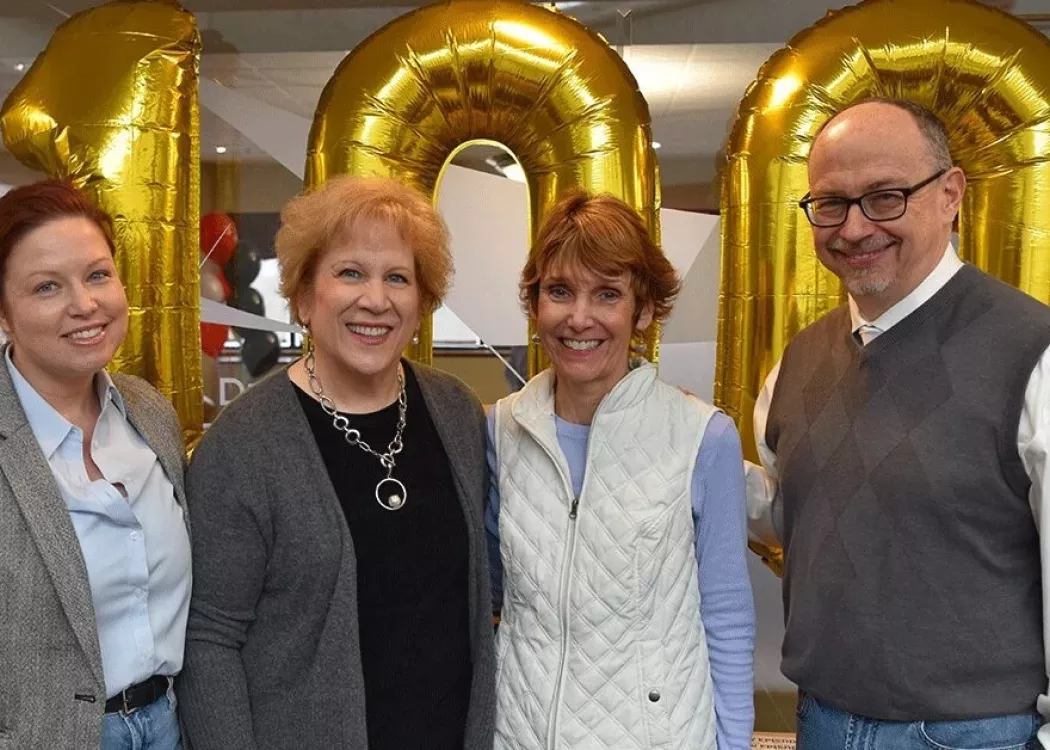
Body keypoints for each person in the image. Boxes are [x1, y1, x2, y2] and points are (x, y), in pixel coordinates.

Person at [746, 98, 1050, 749]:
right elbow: (794, 514)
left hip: (980, 734)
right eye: (831, 203)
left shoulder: (1033, 351)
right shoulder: (799, 359)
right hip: (823, 719)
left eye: (885, 197)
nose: (854, 229)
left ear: (950, 195)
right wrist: (690, 451)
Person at [178, 175, 496, 749]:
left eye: (397, 277)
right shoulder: (244, 444)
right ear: (304, 297)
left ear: (421, 303)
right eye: (350, 272)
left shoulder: (456, 413)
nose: (375, 299)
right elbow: (208, 639)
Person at [486, 191, 756, 749]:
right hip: (519, 734)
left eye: (607, 293)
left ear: (644, 310)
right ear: (535, 304)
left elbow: (727, 615)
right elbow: (487, 592)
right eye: (559, 291)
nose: (579, 318)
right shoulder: (499, 431)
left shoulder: (702, 438)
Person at [0, 179, 191, 748]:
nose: (84, 304)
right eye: (47, 286)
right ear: (4, 314)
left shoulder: (149, 413)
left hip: (169, 725)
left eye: (98, 275)